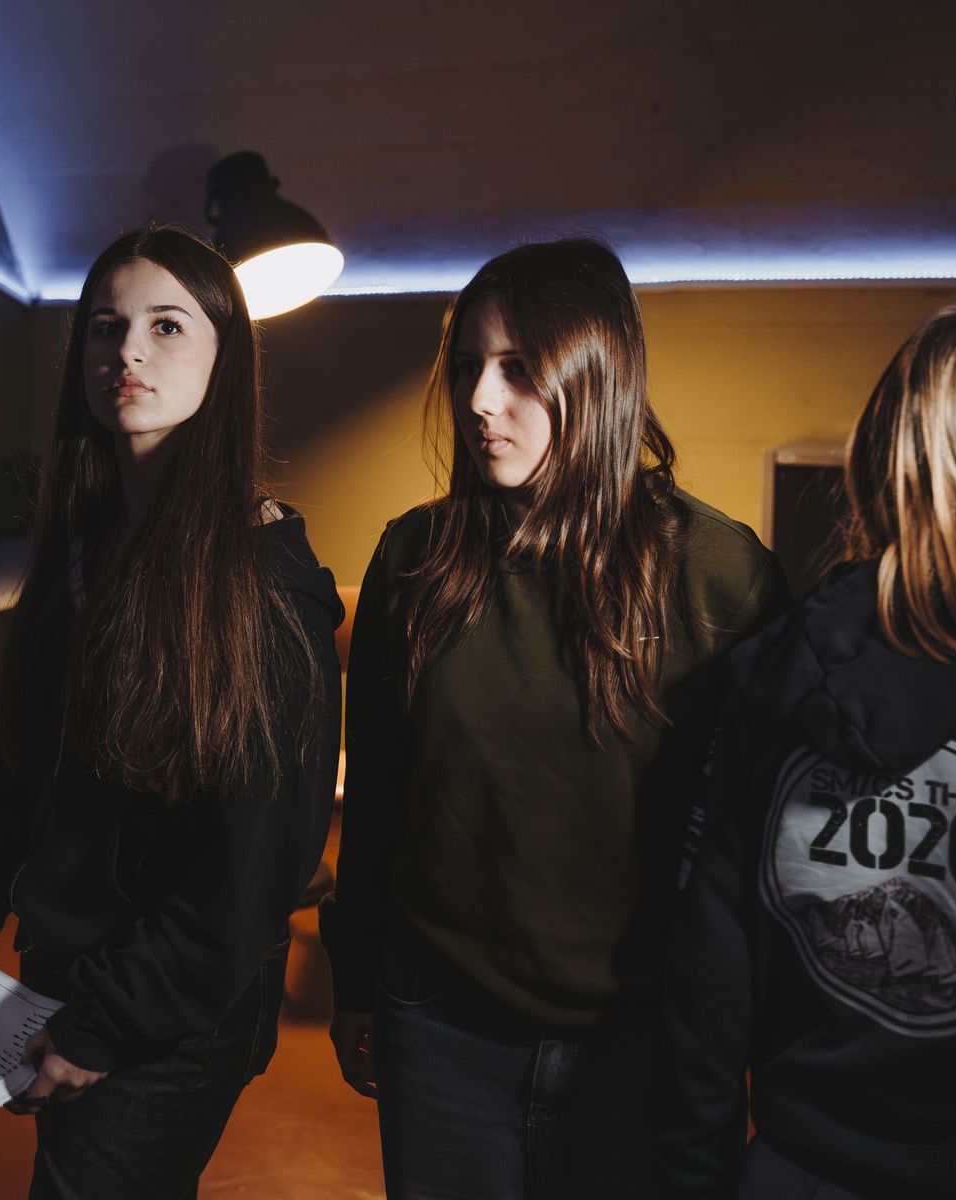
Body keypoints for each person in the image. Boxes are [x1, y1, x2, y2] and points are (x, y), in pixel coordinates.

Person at [320, 238, 787, 1198]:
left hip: (641, 1044)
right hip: (442, 1031)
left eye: (519, 368)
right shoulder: (416, 560)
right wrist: (357, 977)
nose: (479, 399)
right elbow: (377, 798)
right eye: (467, 367)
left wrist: (739, 1045)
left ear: (597, 373)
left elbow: (759, 848)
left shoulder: (721, 576)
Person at [0, 226, 342, 1199]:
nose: (128, 351)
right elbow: (26, 763)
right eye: (107, 327)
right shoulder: (86, 545)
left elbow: (249, 874)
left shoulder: (262, 588)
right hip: (70, 972)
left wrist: (106, 1024)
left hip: (169, 1011)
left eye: (167, 326)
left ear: (226, 361)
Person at [659, 300, 956, 1199]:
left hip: (797, 1168)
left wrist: (693, 1176)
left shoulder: (775, 664)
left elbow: (708, 978)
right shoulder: (773, 673)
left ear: (889, 455)